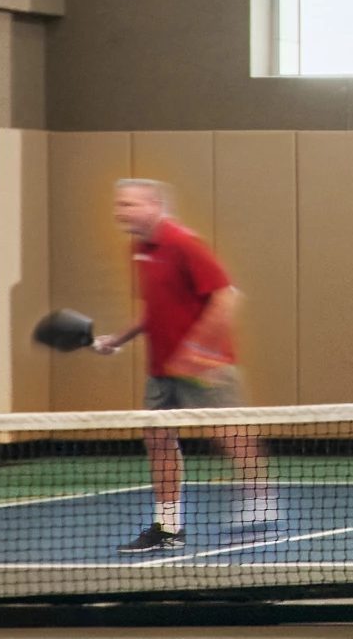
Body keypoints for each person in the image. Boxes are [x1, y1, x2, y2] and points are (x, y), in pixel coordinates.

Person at [102, 177, 274, 552]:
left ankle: (261, 507)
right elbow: (155, 310)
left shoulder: (182, 242)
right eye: (119, 205)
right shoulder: (139, 250)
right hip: (160, 369)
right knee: (159, 441)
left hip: (206, 366)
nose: (120, 211)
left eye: (128, 204)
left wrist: (196, 349)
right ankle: (169, 527)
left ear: (154, 205)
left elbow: (225, 297)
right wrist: (118, 340)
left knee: (232, 436)